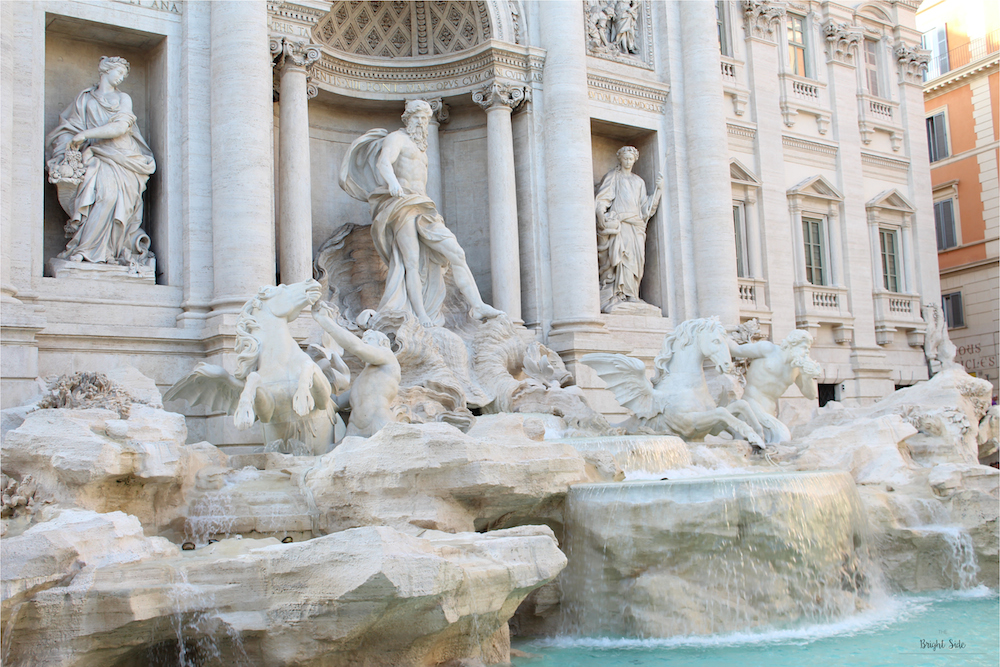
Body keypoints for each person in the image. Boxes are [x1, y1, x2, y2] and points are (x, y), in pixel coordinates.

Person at [339, 100, 503, 327]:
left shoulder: (421, 148)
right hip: (402, 204)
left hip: (424, 207)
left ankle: (477, 305)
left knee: (456, 253)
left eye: (425, 119)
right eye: (417, 118)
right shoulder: (397, 138)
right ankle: (420, 315)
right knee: (411, 263)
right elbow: (383, 162)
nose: (422, 123)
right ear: (407, 119)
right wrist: (393, 183)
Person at [45, 56, 156, 266]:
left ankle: (102, 251)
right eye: (119, 72)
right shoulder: (85, 99)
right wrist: (69, 146)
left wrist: (85, 135)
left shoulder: (123, 98)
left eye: (124, 74)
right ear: (105, 70)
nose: (122, 77)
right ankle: (87, 249)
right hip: (95, 155)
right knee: (100, 197)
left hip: (123, 156)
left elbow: (120, 128)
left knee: (111, 198)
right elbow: (70, 129)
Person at [312, 301, 401, 438]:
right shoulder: (363, 379)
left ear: (382, 343)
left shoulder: (388, 358)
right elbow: (337, 402)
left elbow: (357, 347)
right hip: (354, 428)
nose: (365, 342)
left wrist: (324, 321)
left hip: (379, 422)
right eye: (364, 340)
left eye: (369, 339)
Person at [594, 146, 663, 311]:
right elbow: (602, 199)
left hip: (636, 226)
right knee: (621, 258)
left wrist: (659, 190)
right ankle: (618, 294)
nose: (627, 161)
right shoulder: (613, 177)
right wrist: (601, 214)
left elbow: (645, 208)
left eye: (630, 159)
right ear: (620, 159)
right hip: (621, 224)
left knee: (635, 261)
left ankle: (632, 294)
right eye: (625, 158)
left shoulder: (639, 182)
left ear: (635, 160)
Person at [728, 330, 822, 444]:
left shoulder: (797, 368)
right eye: (804, 347)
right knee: (782, 436)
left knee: (755, 445)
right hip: (751, 403)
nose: (807, 352)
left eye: (808, 349)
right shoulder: (768, 350)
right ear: (792, 344)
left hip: (769, 411)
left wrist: (808, 377)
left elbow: (811, 395)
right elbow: (737, 350)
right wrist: (720, 335)